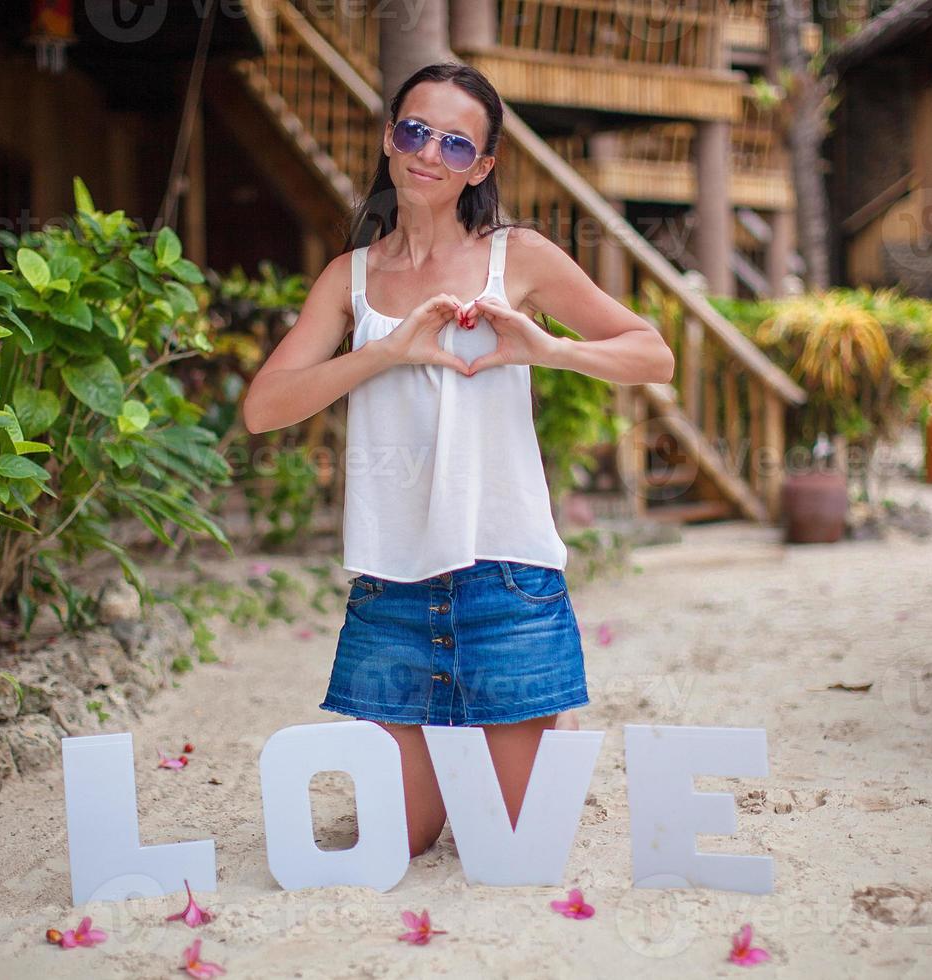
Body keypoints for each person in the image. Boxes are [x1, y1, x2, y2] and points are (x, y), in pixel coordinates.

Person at [242, 62, 675, 858]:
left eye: (453, 142)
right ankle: (477, 726)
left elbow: (651, 355)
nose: (427, 153)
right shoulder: (353, 277)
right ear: (388, 139)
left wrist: (545, 347)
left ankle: (531, 712)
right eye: (413, 130)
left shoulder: (521, 258)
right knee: (397, 842)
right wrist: (386, 352)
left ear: (481, 165)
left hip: (504, 576)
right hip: (392, 589)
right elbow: (265, 407)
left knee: (515, 839)